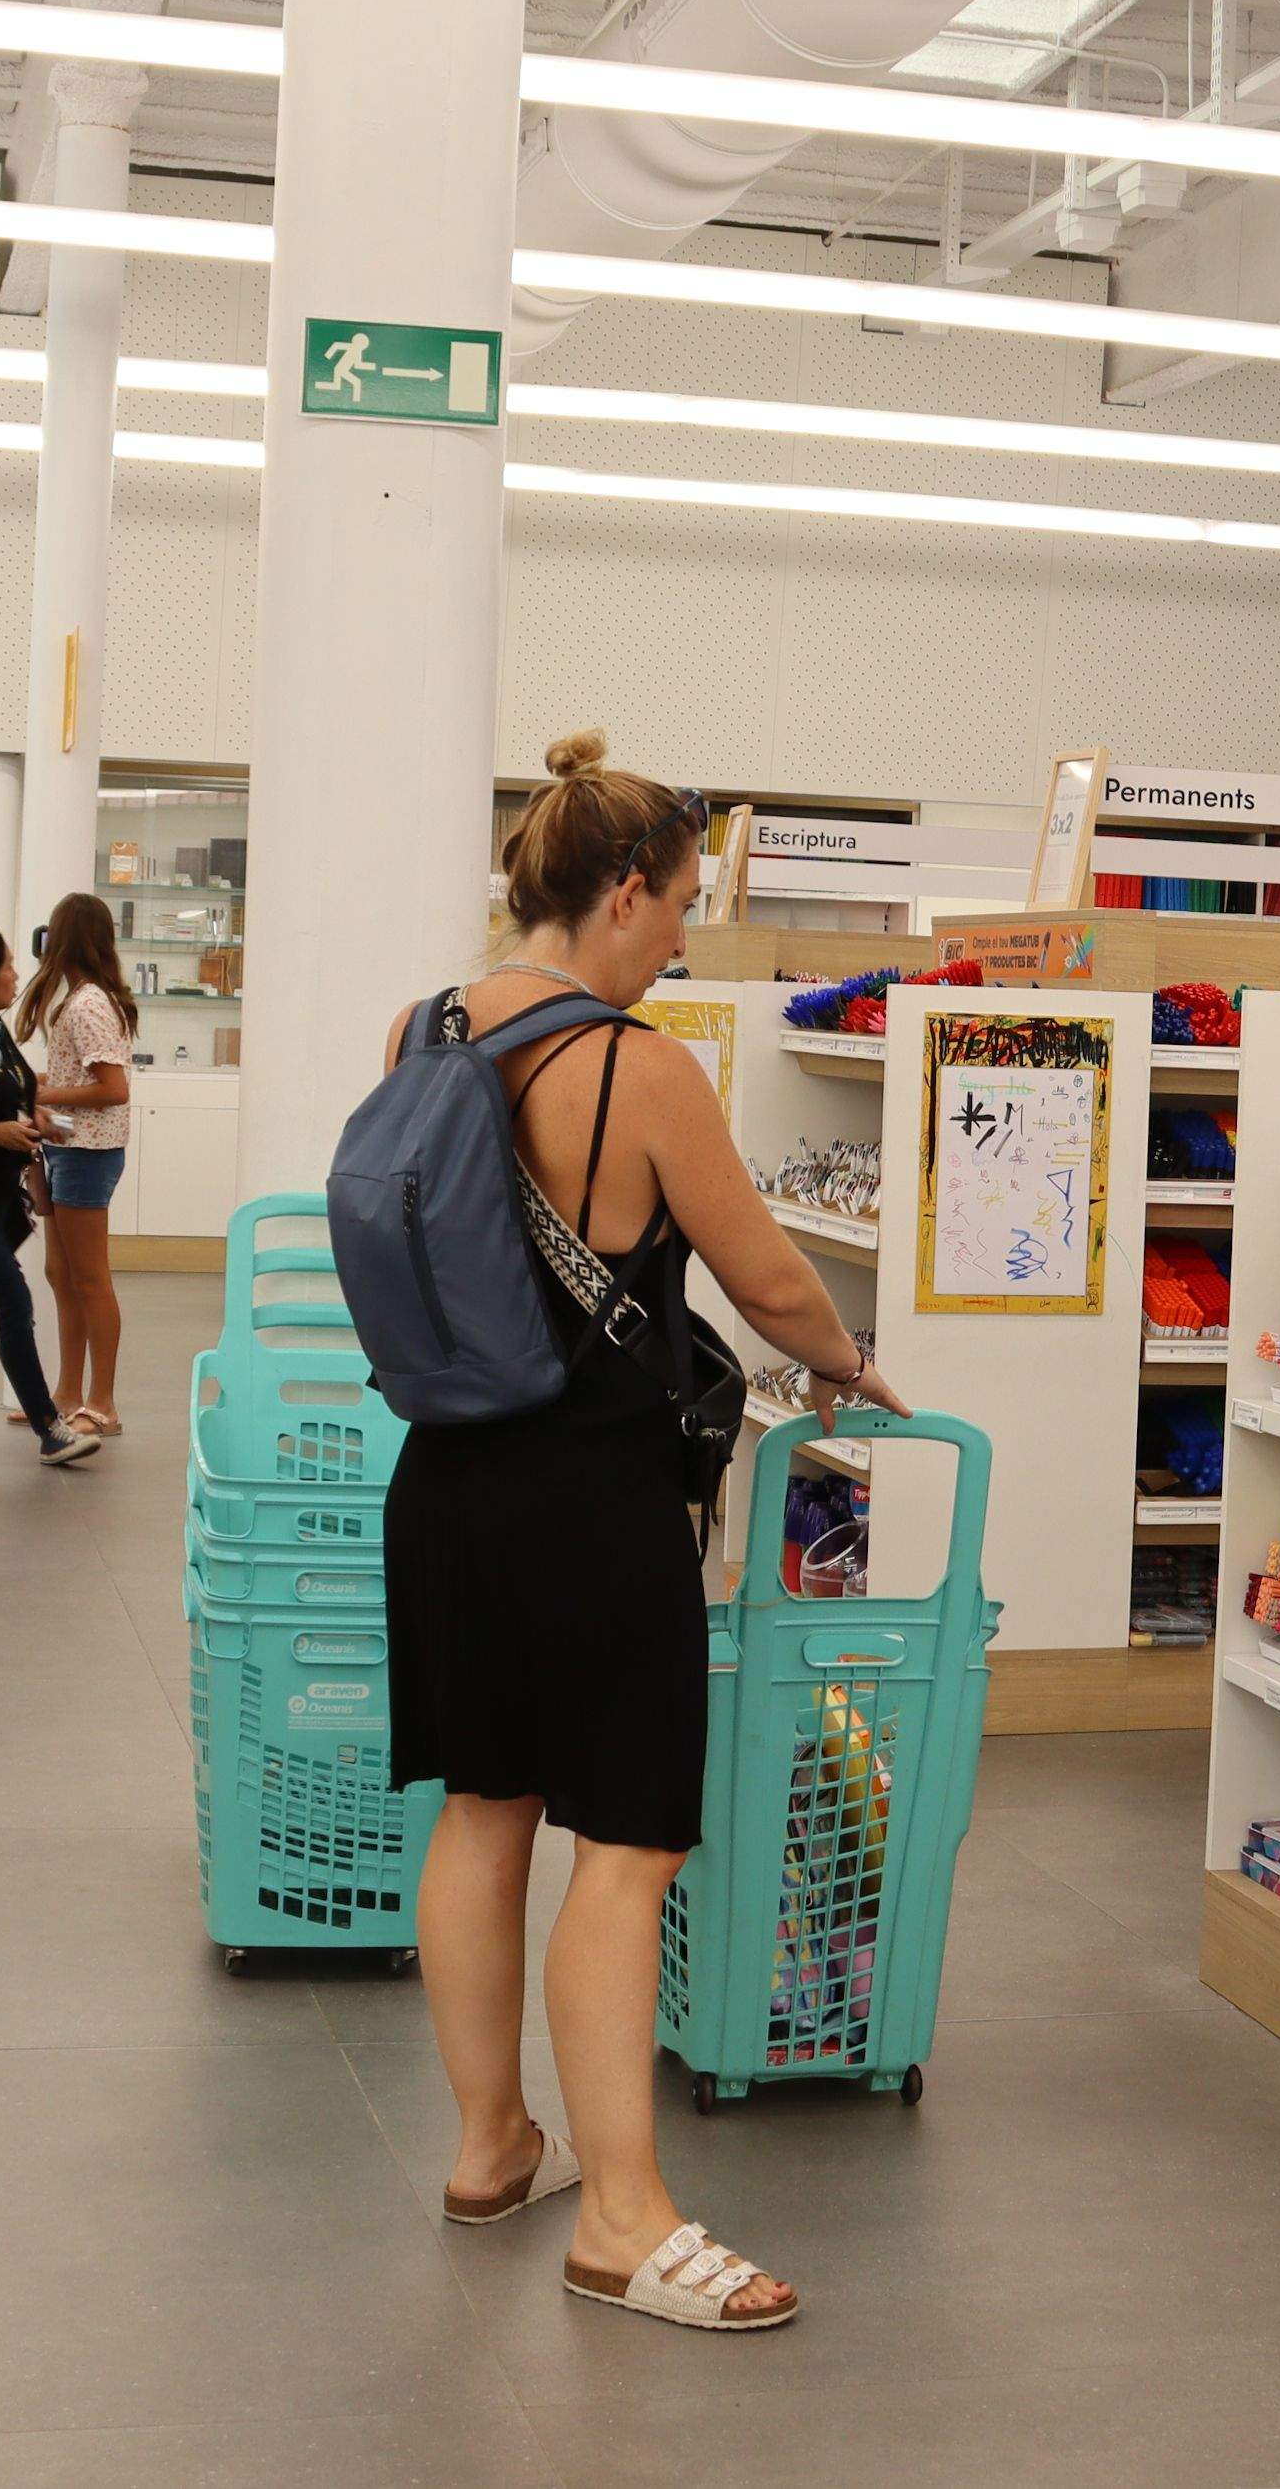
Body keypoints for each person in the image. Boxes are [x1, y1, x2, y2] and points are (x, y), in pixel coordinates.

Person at [385, 731, 901, 2336]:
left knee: (484, 1812)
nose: (682, 938)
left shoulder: (415, 1029)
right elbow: (764, 1279)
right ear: (622, 894)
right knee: (629, 1849)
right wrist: (846, 1362)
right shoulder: (640, 1066)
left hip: (447, 1486)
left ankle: (490, 2149)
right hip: (594, 1510)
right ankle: (622, 2218)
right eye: (680, 905)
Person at [0, 924, 92, 1469]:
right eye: (7, 965)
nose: (16, 974)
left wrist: (35, 1119)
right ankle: (49, 1428)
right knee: (12, 1295)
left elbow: (16, 1093)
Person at [13, 893, 138, 1448]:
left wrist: (42, 1089)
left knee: (89, 1278)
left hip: (88, 1152)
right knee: (62, 1276)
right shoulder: (88, 999)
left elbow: (113, 1090)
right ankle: (66, 1394)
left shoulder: (87, 1004)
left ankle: (103, 1403)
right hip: (70, 1146)